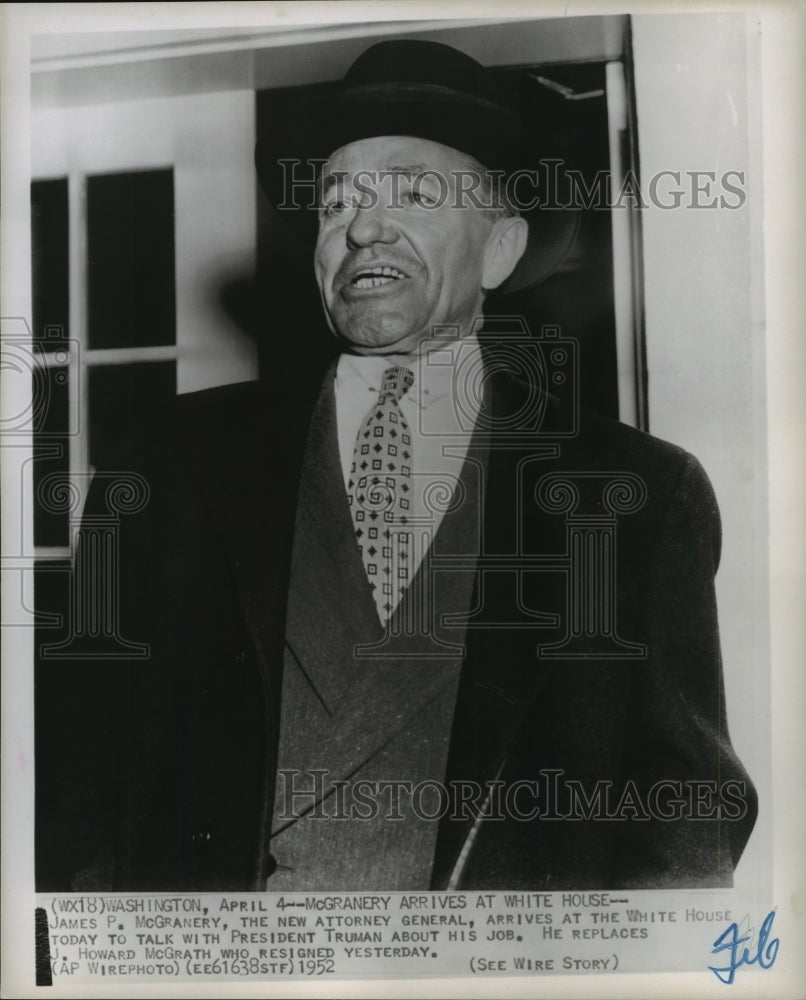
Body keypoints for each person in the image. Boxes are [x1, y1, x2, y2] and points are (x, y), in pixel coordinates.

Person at [39, 39, 756, 892]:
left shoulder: (637, 495)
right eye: (337, 202)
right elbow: (77, 760)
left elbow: (688, 806)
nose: (363, 226)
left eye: (415, 194)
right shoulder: (170, 461)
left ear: (500, 250)